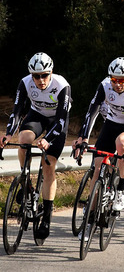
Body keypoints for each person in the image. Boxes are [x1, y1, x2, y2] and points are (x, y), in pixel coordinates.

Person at [0, 52, 72, 240]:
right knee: (23, 138)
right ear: (31, 75)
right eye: (36, 76)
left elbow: (62, 120)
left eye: (44, 75)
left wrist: (48, 139)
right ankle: (27, 185)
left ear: (51, 72)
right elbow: (16, 112)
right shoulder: (25, 83)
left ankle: (47, 216)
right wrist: (8, 134)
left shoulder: (62, 85)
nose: (41, 80)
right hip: (37, 115)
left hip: (57, 122)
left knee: (48, 167)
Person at [73, 57, 124, 219]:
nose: (118, 84)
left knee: (121, 144)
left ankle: (121, 185)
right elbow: (92, 111)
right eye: (114, 80)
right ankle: (90, 211)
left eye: (122, 80)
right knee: (98, 165)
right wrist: (83, 138)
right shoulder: (105, 86)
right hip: (111, 124)